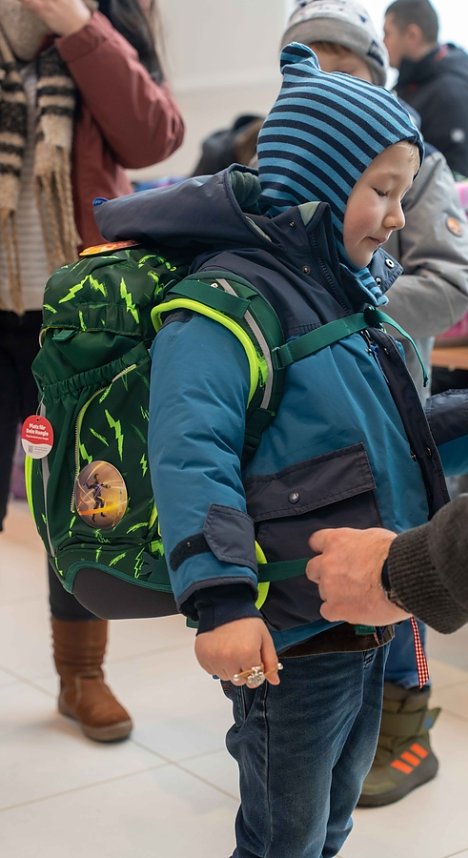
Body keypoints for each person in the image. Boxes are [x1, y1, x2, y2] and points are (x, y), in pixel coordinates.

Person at [94, 39, 468, 857]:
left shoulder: (346, 300)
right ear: (315, 184)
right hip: (286, 634)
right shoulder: (221, 307)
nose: (395, 219)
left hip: (363, 620)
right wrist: (221, 603)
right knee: (284, 828)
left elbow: (399, 436)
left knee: (337, 808)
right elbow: (190, 456)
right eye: (382, 192)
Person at [192, 0, 468, 804]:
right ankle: (302, 742)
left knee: (398, 581)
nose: (324, 77)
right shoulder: (276, 186)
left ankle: (406, 730)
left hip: (386, 395)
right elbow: (200, 445)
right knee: (322, 606)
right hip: (306, 441)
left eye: (344, 62)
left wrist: (355, 323)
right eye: (307, 61)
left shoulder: (408, 162)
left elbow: (450, 276)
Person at [305, 14, 468, 638]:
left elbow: (397, 435)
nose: (397, 220)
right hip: (318, 600)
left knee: (392, 698)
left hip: (384, 572)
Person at [0, 0, 184, 742]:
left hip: (80, 315)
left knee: (87, 495)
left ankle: (82, 676)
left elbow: (153, 135)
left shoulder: (105, 15)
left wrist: (77, 24)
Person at [383, 0, 468, 179]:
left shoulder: (451, 94)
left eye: (387, 33)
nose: (382, 42)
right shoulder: (415, 81)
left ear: (412, 34)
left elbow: (453, 177)